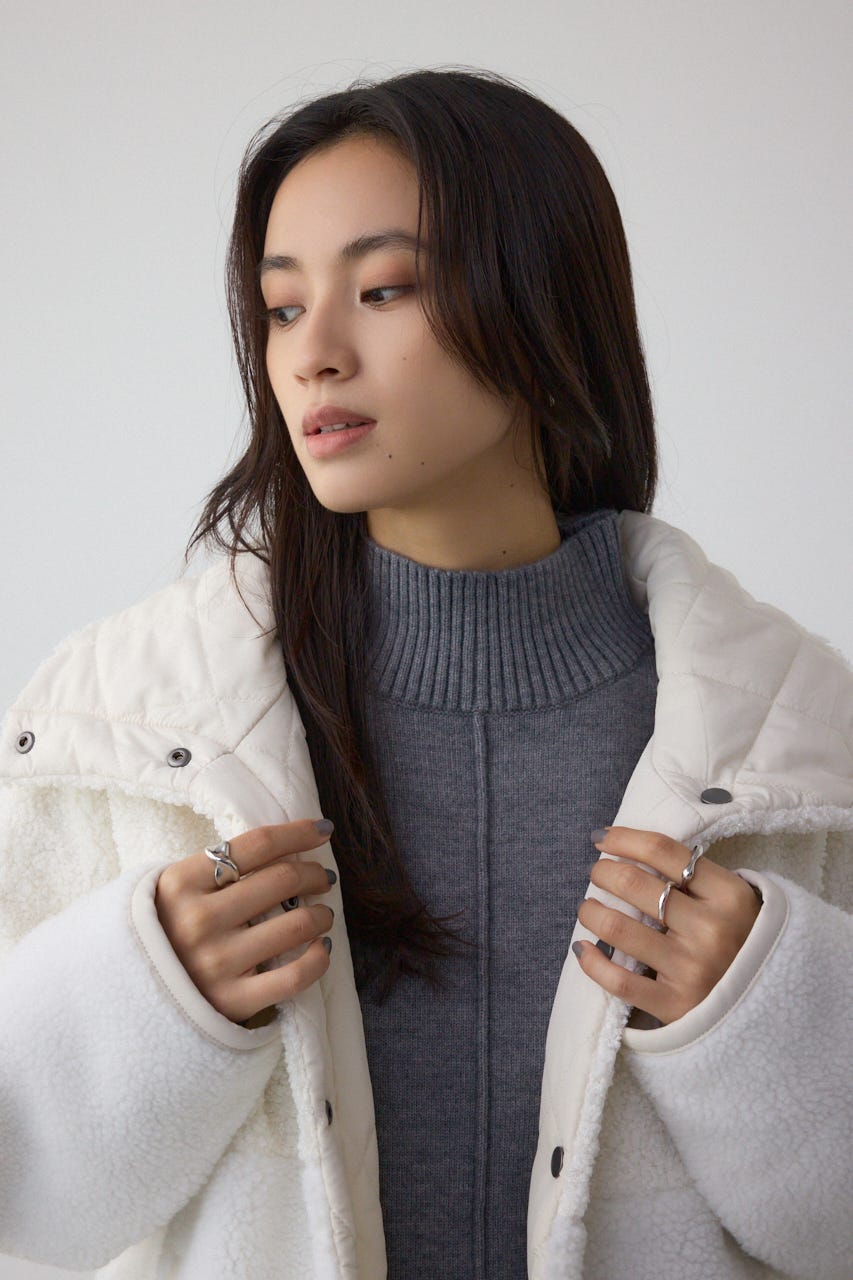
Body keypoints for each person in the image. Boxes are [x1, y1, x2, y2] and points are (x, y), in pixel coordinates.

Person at [0, 66, 849, 1280]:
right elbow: (27, 1214)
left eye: (383, 288)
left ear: (543, 309)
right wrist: (142, 995)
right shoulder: (126, 725)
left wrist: (773, 1014)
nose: (314, 354)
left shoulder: (796, 743)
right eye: (281, 307)